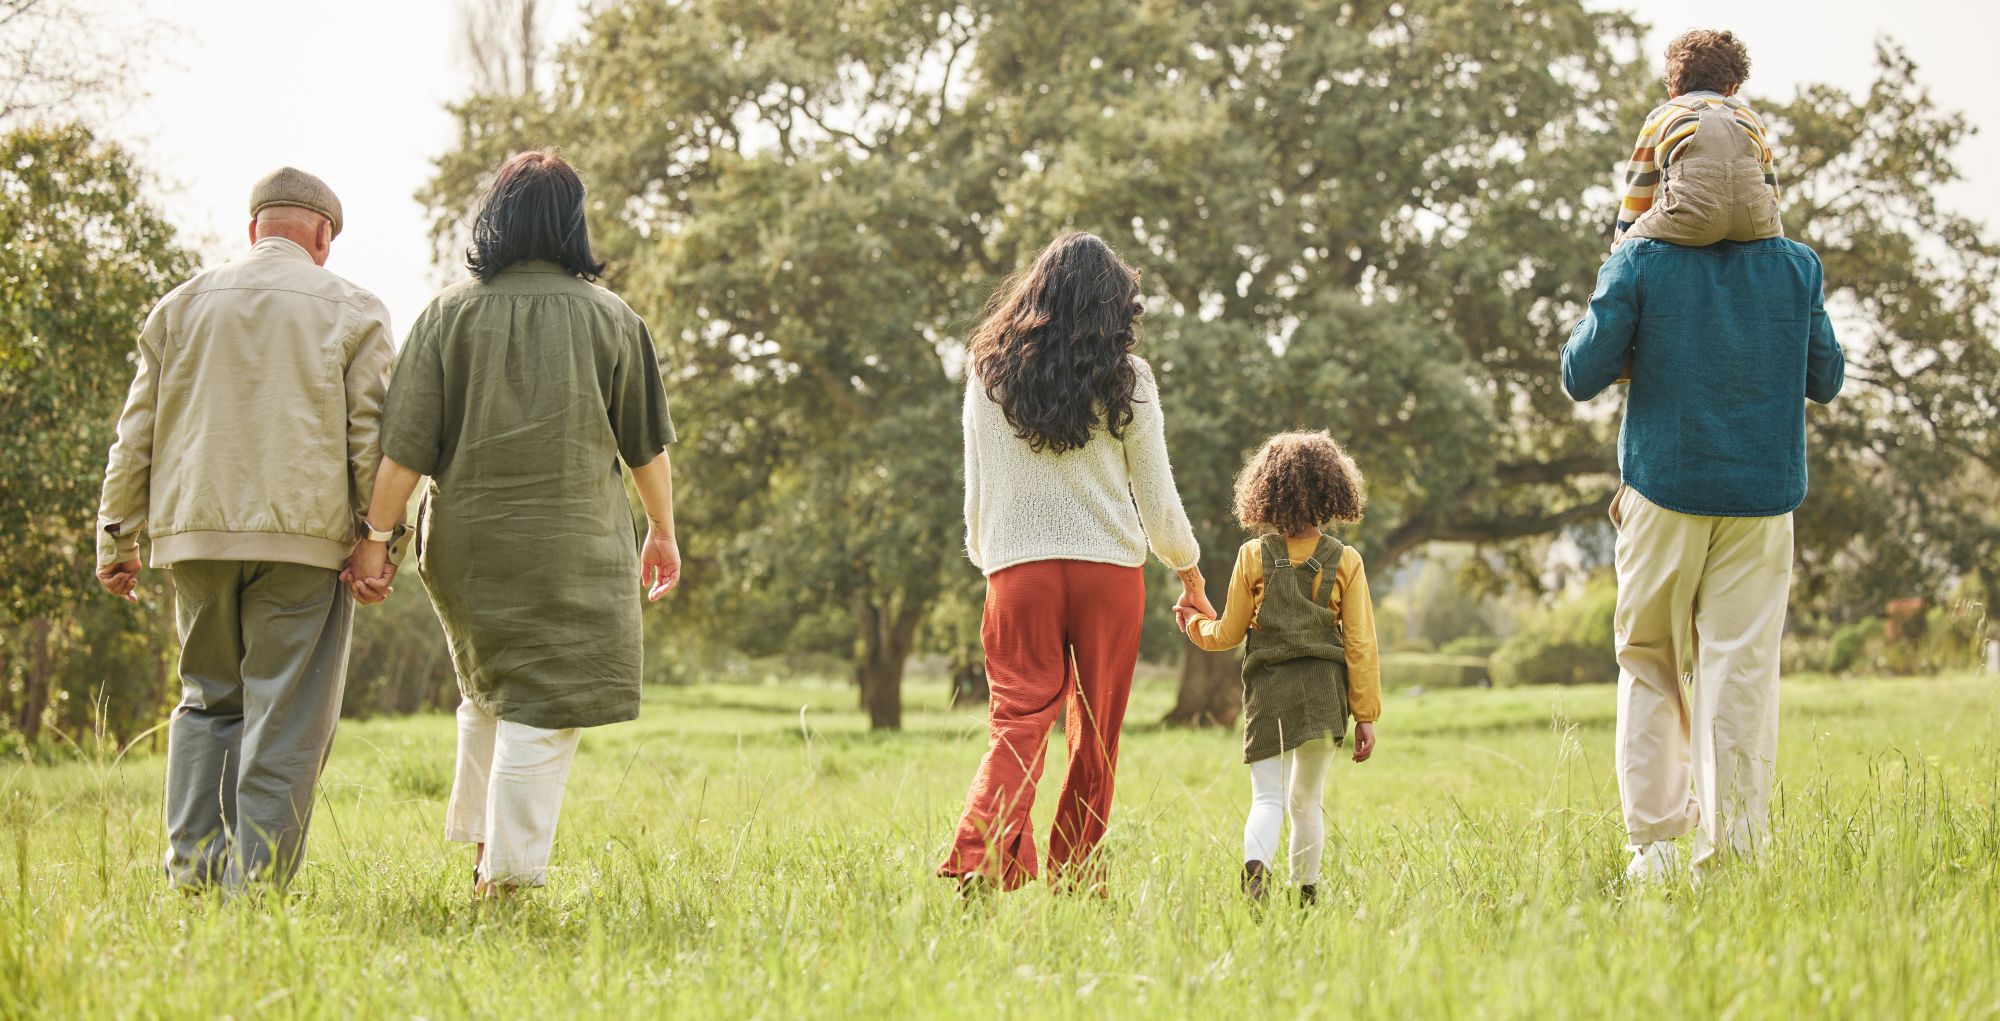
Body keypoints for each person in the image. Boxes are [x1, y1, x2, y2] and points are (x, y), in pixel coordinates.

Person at [344, 150, 680, 896]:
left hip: (464, 549)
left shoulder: (445, 313)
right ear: (571, 223)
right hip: (574, 549)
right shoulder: (613, 317)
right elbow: (645, 446)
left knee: (490, 685)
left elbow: (404, 452)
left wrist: (374, 541)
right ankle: (509, 884)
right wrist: (662, 530)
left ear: (493, 216)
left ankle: (481, 855)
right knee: (545, 705)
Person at [94, 167, 394, 890]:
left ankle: (192, 875)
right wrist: (377, 542)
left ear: (253, 226)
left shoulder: (179, 306)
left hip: (194, 538)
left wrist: (116, 537)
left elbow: (136, 432)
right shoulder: (356, 310)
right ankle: (254, 888)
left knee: (205, 701)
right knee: (284, 718)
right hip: (303, 542)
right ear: (322, 236)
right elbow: (369, 438)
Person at [1563, 207, 1844, 882]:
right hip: (1763, 498)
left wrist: (1619, 258)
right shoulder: (1797, 264)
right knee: (1740, 674)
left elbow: (1581, 372)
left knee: (1650, 658)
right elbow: (1827, 378)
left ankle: (1656, 852)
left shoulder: (1640, 259)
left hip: (1664, 488)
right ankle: (1735, 859)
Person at [940, 231, 1211, 896]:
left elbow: (977, 488)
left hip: (1018, 573)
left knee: (1017, 724)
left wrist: (991, 560)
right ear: (1112, 306)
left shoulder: (985, 373)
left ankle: (979, 857)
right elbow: (1159, 499)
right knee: (1095, 736)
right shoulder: (1130, 379)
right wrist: (1190, 570)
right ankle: (1078, 878)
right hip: (1108, 576)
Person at [1176, 432, 1381, 904]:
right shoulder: (1346, 560)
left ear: (1265, 492)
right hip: (1325, 692)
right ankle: (1305, 897)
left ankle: (1255, 872)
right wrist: (1365, 713)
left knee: (1267, 799)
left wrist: (1193, 623)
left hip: (1269, 692)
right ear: (1334, 492)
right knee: (1306, 801)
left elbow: (1226, 635)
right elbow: (1361, 644)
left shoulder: (1253, 556)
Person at [1615, 29, 1783, 247]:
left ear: (1673, 91)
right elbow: (1770, 183)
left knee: (1627, 247)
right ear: (1732, 88)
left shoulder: (1662, 115)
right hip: (1753, 219)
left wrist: (1623, 238)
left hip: (1690, 217)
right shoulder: (1751, 118)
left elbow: (1640, 186)